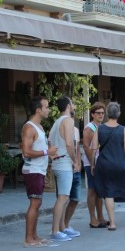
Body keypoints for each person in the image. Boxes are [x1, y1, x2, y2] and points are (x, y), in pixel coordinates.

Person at [91, 102, 125, 230]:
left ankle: (112, 223)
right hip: (120, 164)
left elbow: (94, 148)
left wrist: (93, 164)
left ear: (107, 114)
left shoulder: (100, 129)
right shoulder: (122, 129)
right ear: (118, 114)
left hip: (105, 164)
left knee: (108, 193)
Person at [20, 97, 58, 247]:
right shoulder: (29, 127)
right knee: (34, 203)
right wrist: (46, 152)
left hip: (39, 169)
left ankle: (34, 235)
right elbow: (26, 152)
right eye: (46, 107)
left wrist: (50, 154)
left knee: (38, 202)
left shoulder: (39, 127)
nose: (48, 110)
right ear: (38, 110)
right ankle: (28, 238)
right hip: (32, 170)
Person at [48, 97, 79, 242]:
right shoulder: (68, 121)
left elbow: (49, 142)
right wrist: (75, 160)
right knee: (63, 197)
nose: (73, 106)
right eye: (72, 103)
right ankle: (55, 230)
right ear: (68, 106)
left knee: (62, 197)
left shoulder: (56, 122)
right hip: (64, 162)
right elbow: (69, 143)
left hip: (57, 162)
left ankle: (61, 228)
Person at [82, 102, 108, 228]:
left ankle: (101, 217)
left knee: (99, 191)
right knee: (92, 190)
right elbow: (86, 147)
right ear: (92, 114)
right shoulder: (89, 128)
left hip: (100, 162)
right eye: (98, 113)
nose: (101, 115)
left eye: (102, 113)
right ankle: (93, 219)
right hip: (91, 163)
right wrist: (92, 163)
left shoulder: (101, 127)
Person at [58, 125, 81, 238]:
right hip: (64, 166)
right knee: (63, 198)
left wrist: (78, 163)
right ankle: (60, 227)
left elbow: (76, 148)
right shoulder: (59, 128)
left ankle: (66, 225)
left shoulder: (75, 130)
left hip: (75, 168)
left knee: (75, 199)